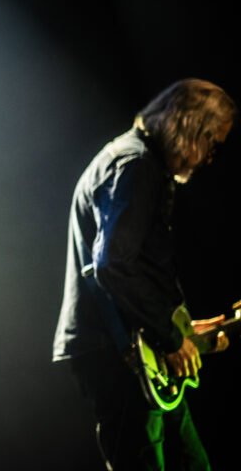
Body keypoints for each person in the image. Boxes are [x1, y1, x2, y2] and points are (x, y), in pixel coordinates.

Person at [52, 78, 236, 470]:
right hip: (115, 352)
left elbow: (133, 268)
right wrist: (169, 337)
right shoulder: (134, 166)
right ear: (188, 127)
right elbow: (113, 265)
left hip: (135, 347)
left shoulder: (137, 162)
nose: (210, 158)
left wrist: (180, 328)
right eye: (212, 142)